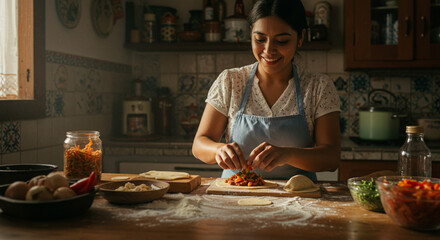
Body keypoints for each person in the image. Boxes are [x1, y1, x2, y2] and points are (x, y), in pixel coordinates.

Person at [192, 0, 340, 181]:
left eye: (282, 41)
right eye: (260, 39)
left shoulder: (318, 87)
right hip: (235, 199)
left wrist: (288, 155)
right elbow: (199, 145)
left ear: (300, 38)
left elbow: (331, 158)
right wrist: (218, 150)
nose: (268, 50)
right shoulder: (230, 81)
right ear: (251, 33)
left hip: (298, 201)